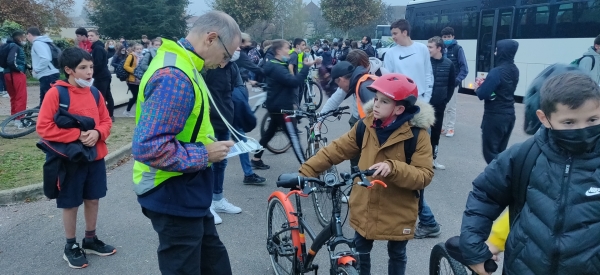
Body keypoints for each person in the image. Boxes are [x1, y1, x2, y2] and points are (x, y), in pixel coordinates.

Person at [131, 11, 240, 274]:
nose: (225, 63)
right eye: (227, 54)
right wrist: (205, 154)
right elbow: (149, 147)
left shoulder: (183, 63)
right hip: (171, 189)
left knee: (213, 261)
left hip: (185, 188)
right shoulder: (174, 76)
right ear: (211, 38)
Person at [460, 72, 600, 275]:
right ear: (544, 118)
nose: (582, 130)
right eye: (569, 123)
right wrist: (473, 247)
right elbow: (485, 194)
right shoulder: (525, 155)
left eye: (592, 119)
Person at [299, 73, 434, 275]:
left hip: (399, 206)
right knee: (361, 252)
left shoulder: (417, 135)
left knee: (397, 254)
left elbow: (424, 175)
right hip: (366, 203)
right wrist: (306, 171)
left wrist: (394, 167)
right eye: (377, 98)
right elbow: (336, 149)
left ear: (399, 109)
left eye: (384, 101)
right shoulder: (365, 125)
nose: (376, 104)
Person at [36, 47, 115, 269]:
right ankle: (70, 245)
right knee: (70, 203)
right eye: (83, 68)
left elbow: (106, 121)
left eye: (91, 67)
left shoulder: (95, 92)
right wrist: (78, 135)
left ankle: (90, 239)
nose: (89, 72)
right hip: (70, 160)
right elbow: (44, 127)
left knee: (93, 198)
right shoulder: (56, 94)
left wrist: (98, 133)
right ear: (68, 70)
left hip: (95, 157)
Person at [251, 39, 320, 167]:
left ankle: (256, 158)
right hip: (282, 108)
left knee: (269, 133)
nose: (289, 51)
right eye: (286, 48)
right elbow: (293, 82)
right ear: (278, 51)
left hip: (276, 105)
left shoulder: (275, 63)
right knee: (294, 137)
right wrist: (306, 68)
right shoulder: (277, 67)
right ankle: (306, 167)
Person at [204, 47, 245, 225]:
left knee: (221, 161)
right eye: (235, 45)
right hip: (207, 124)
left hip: (225, 121)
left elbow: (239, 88)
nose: (238, 49)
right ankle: (206, 205)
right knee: (205, 164)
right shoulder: (207, 67)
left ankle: (218, 199)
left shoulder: (232, 66)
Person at [475, 39, 519, 164]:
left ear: (502, 52)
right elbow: (503, 89)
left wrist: (478, 88)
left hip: (495, 116)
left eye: (496, 50)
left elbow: (483, 93)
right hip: (509, 115)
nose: (495, 53)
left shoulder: (496, 71)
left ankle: (497, 179)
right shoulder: (514, 69)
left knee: (490, 152)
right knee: (500, 151)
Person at [384, 19, 434, 103]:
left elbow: (428, 74)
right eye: (392, 34)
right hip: (399, 99)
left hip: (420, 98)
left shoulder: (422, 48)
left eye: (395, 33)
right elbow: (387, 78)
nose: (393, 37)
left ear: (405, 32)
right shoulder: (390, 53)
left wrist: (427, 98)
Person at [427, 36, 455, 171]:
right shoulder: (425, 62)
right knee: (422, 133)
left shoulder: (449, 64)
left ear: (439, 48)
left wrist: (445, 100)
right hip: (425, 105)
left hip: (439, 105)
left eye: (430, 47)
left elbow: (451, 85)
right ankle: (420, 160)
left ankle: (433, 159)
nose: (428, 49)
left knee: (436, 133)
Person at [441, 27, 469, 137]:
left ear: (453, 37)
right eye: (444, 37)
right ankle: (442, 127)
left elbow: (464, 68)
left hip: (453, 83)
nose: (446, 39)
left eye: (449, 37)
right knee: (441, 106)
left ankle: (450, 128)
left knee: (451, 107)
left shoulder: (458, 49)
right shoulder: (440, 49)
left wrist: (457, 79)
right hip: (441, 82)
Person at [26, 27, 60, 106]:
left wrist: (36, 70)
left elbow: (45, 58)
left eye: (27, 36)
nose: (27, 38)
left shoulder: (37, 43)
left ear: (30, 35)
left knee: (47, 101)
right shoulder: (45, 42)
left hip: (47, 74)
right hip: (50, 73)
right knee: (47, 100)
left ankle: (47, 117)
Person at [88, 30, 115, 121]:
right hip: (104, 75)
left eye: (92, 35)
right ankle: (110, 115)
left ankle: (104, 116)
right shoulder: (98, 47)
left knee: (101, 96)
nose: (90, 37)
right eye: (88, 36)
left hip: (101, 76)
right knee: (107, 95)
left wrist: (91, 73)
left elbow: (98, 64)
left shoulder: (98, 48)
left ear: (97, 36)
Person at [2, 31, 28, 121]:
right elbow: (11, 60)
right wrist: (19, 69)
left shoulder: (7, 46)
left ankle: (13, 117)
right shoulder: (16, 47)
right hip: (16, 74)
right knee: (21, 96)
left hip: (6, 73)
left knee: (13, 96)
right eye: (24, 37)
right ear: (19, 38)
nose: (25, 39)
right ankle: (20, 119)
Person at [122, 44, 144, 117]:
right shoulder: (131, 56)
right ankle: (127, 111)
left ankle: (138, 111)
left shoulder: (143, 57)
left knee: (138, 96)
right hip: (132, 79)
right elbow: (126, 66)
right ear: (134, 49)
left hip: (140, 79)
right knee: (136, 96)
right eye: (137, 49)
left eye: (140, 49)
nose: (139, 50)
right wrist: (134, 71)